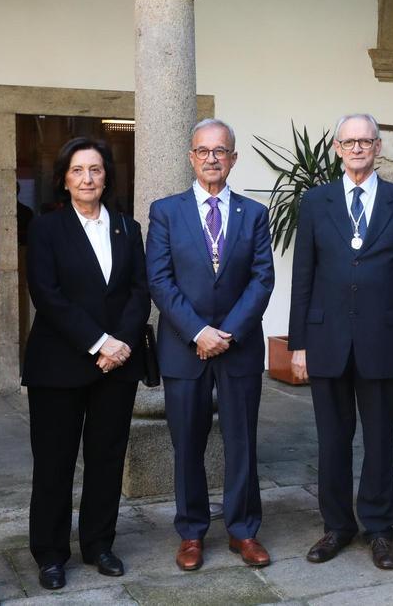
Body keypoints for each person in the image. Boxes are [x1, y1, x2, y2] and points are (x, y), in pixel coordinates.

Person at [288, 113, 393, 570]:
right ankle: (337, 526)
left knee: (381, 440)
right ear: (336, 149)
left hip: (383, 341)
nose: (357, 149)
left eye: (365, 141)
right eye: (348, 142)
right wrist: (298, 343)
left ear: (378, 146)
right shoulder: (315, 201)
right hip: (326, 339)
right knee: (332, 440)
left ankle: (380, 528)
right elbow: (302, 276)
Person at [145, 118, 275, 571]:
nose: (212, 158)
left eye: (221, 151)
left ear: (234, 159)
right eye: (203, 151)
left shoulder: (254, 214)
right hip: (185, 347)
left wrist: (228, 333)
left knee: (241, 441)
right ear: (191, 158)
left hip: (238, 346)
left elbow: (262, 280)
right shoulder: (166, 211)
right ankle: (192, 532)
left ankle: (243, 530)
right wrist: (199, 332)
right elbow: (159, 280)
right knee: (187, 443)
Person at [21, 137, 150, 590]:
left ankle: (98, 543)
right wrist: (98, 342)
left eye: (95, 170)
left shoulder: (127, 228)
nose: (88, 178)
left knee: (106, 457)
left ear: (106, 176)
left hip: (118, 365)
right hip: (60, 364)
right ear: (64, 178)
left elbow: (139, 291)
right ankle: (51, 554)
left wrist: (121, 344)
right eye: (78, 170)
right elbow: (47, 295)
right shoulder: (45, 228)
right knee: (54, 462)